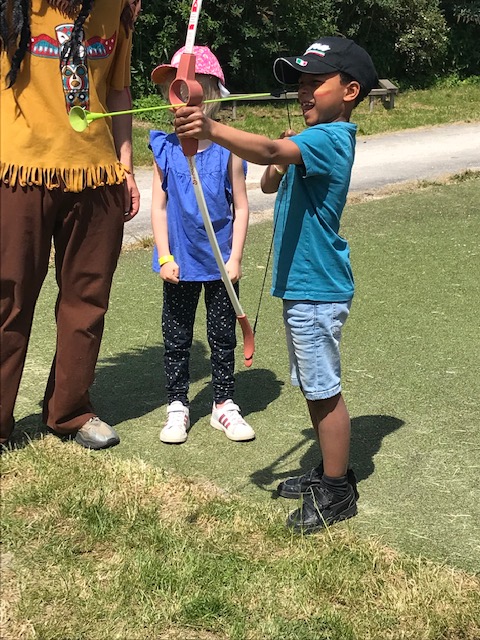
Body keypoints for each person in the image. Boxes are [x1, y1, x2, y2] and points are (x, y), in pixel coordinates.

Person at [173, 37, 378, 532]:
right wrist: (284, 158)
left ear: (350, 91)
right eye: (300, 83)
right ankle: (328, 472)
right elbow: (269, 181)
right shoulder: (311, 142)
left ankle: (337, 489)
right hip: (305, 286)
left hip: (317, 287)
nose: (304, 91)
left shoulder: (331, 138)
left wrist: (211, 127)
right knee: (312, 386)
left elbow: (265, 149)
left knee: (323, 390)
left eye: (316, 82)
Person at [0, 0, 141, 450]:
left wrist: (126, 167)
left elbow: (117, 91)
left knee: (88, 299)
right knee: (8, 298)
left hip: (97, 175)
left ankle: (70, 411)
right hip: (18, 171)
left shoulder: (117, 6)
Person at [149, 45, 255, 444]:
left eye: (187, 88)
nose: (178, 98)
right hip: (180, 263)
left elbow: (241, 206)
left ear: (206, 94)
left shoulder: (228, 150)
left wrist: (235, 258)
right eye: (173, 90)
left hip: (220, 265)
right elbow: (159, 208)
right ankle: (177, 405)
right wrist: (164, 256)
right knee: (177, 337)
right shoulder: (165, 148)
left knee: (223, 337)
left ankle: (223, 404)